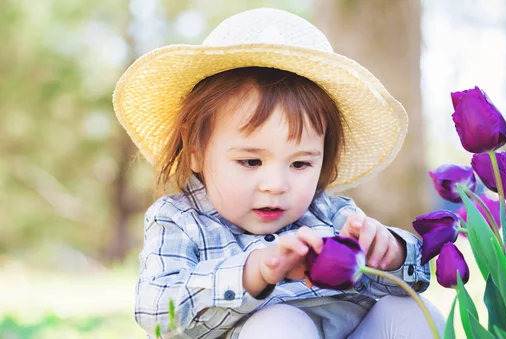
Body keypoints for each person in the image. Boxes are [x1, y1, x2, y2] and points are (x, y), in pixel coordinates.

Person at [113, 7, 445, 339]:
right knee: (279, 325)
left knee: (411, 310)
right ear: (197, 149)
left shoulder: (330, 213)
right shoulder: (179, 219)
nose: (276, 185)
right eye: (250, 162)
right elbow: (156, 311)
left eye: (300, 164)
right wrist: (252, 272)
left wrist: (392, 254)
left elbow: (412, 279)